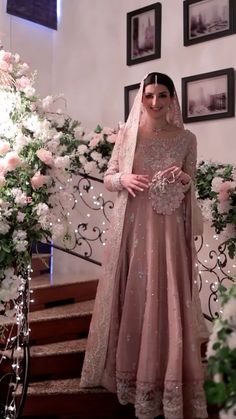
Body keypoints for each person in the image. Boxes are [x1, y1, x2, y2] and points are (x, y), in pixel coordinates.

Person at [80, 72, 209, 419]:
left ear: (172, 100)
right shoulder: (127, 136)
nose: (155, 102)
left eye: (162, 95)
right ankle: (134, 378)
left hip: (170, 232)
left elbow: (190, 180)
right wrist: (123, 178)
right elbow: (108, 178)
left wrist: (184, 180)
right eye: (149, 95)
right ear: (142, 96)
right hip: (135, 231)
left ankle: (169, 377)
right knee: (138, 293)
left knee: (168, 296)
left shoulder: (187, 138)